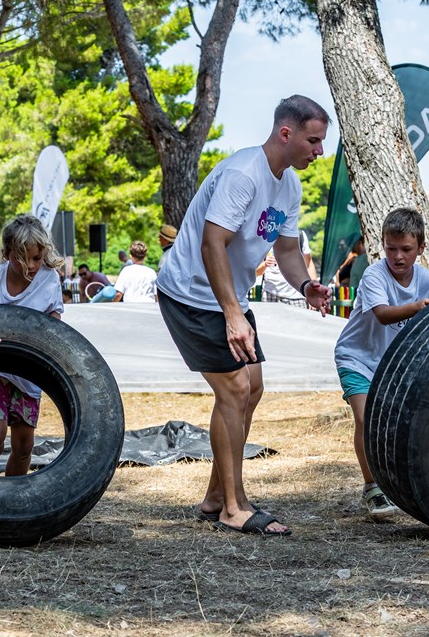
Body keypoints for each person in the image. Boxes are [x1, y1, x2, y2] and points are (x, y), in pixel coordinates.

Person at [156, 94, 333, 536]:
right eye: (313, 140)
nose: (319, 151)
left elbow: (287, 250)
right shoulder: (242, 173)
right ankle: (234, 508)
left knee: (252, 388)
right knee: (234, 387)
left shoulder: (289, 185)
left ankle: (217, 496)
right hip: (191, 293)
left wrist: (305, 285)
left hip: (229, 297)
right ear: (285, 133)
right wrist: (233, 315)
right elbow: (212, 244)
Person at [334, 208, 429, 515]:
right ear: (381, 245)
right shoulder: (374, 275)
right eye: (391, 248)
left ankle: (398, 485)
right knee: (366, 419)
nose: (397, 256)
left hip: (393, 365)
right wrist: (417, 307)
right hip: (357, 357)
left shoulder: (428, 280)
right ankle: (372, 488)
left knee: (396, 428)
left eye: (406, 250)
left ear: (421, 248)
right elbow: (383, 315)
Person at [0, 215, 64, 476]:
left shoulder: (49, 279)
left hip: (28, 371)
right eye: (23, 258)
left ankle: (12, 497)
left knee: (24, 445)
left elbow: (55, 322)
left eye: (37, 258)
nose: (32, 266)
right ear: (7, 253)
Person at [256, 230, 318, 307]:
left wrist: (313, 293)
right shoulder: (264, 237)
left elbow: (308, 264)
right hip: (270, 294)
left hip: (296, 296)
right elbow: (256, 272)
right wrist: (264, 265)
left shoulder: (298, 235)